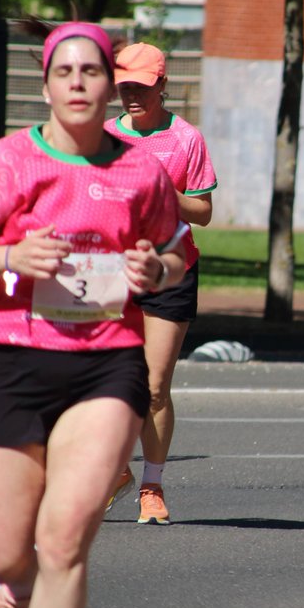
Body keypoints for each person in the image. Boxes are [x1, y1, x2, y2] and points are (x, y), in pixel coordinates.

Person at [0, 21, 189, 608]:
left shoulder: (142, 168)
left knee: (66, 539)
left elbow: (178, 249)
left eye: (91, 72)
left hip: (106, 364)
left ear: (109, 87)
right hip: (13, 359)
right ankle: (15, 588)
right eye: (65, 72)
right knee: (6, 553)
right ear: (46, 85)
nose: (78, 82)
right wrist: (10, 258)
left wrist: (153, 267)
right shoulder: (8, 161)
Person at [103, 42, 218, 525]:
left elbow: (204, 213)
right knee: (104, 381)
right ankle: (116, 472)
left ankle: (151, 485)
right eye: (124, 85)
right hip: (112, 270)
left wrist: (164, 191)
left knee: (153, 387)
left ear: (163, 86)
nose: (131, 95)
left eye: (142, 87)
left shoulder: (186, 139)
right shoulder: (104, 135)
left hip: (171, 269)